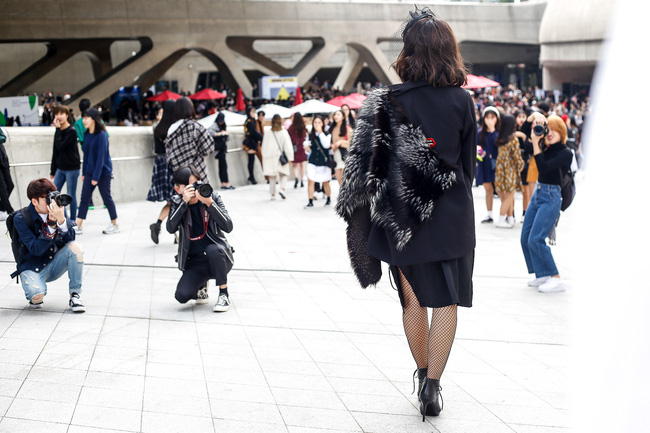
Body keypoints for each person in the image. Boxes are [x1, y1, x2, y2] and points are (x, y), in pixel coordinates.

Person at [335, 7, 476, 421]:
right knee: (446, 303)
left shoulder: (385, 101)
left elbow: (363, 169)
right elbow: (466, 167)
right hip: (452, 218)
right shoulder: (462, 100)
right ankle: (433, 388)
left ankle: (421, 376)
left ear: (407, 52)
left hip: (402, 221)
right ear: (449, 51)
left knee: (412, 302)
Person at [166, 166, 234, 312]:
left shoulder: (212, 197)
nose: (195, 190)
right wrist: (183, 203)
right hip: (195, 262)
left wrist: (210, 204)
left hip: (219, 257)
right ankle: (201, 285)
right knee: (182, 296)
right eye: (189, 187)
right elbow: (170, 228)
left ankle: (224, 294)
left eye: (197, 184)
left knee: (212, 249)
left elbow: (228, 226)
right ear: (178, 189)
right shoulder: (178, 202)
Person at [12, 178, 85, 312]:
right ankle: (35, 290)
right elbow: (35, 249)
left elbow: (70, 239)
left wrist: (62, 221)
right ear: (34, 201)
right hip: (32, 265)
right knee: (36, 297)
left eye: (54, 197)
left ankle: (75, 295)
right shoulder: (21, 218)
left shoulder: (57, 210)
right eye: (47, 199)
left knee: (76, 248)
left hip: (53, 262)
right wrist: (51, 226)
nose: (52, 203)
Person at [521, 115, 572, 293]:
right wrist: (531, 118)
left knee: (536, 239)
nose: (550, 133)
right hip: (538, 193)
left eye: (554, 129)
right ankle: (541, 273)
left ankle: (555, 278)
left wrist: (536, 144)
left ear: (562, 131)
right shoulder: (544, 145)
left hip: (551, 196)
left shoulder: (566, 152)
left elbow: (544, 167)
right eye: (548, 129)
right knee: (525, 237)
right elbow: (524, 133)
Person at [75, 108, 119, 234]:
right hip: (90, 172)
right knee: (84, 198)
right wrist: (84, 173)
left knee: (107, 198)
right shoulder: (87, 135)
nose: (84, 120)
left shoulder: (102, 136)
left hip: (103, 173)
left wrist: (95, 177)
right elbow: (86, 156)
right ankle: (78, 225)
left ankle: (115, 223)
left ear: (94, 119)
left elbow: (101, 158)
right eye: (83, 118)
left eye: (86, 118)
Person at [165, 97, 215, 182]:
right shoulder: (195, 126)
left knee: (185, 195)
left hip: (180, 175)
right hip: (198, 171)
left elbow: (169, 156)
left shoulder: (171, 129)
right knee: (201, 194)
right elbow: (209, 149)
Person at [147, 99, 176, 244]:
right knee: (177, 200)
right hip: (171, 165)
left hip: (160, 165)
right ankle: (176, 233)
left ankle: (158, 225)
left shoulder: (158, 128)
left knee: (172, 201)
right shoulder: (174, 129)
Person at [49, 104, 81, 223]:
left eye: (61, 114)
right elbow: (55, 151)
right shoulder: (58, 131)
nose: (59, 116)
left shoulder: (71, 131)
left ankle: (73, 222)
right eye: (56, 114)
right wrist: (53, 171)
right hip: (60, 168)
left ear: (67, 115)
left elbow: (61, 146)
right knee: (55, 194)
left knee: (70, 195)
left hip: (72, 168)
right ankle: (65, 219)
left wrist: (57, 130)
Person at [494, 115, 525, 228]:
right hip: (510, 171)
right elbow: (517, 157)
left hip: (500, 170)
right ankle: (501, 219)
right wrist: (521, 165)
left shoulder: (500, 139)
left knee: (505, 195)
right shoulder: (513, 140)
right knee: (509, 195)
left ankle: (510, 218)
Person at [475, 106, 500, 223]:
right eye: (487, 117)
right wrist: (480, 153)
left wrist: (493, 129)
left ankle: (507, 213)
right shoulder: (480, 132)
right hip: (484, 163)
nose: (490, 120)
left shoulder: (498, 133)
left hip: (497, 164)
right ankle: (489, 213)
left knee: (500, 189)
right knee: (488, 189)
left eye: (492, 117)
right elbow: (476, 146)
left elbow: (498, 144)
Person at [261, 114, 294, 200]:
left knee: (272, 177)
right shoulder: (283, 132)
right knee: (284, 174)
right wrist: (290, 157)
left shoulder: (268, 132)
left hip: (270, 157)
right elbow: (288, 146)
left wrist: (265, 156)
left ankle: (272, 195)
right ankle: (282, 189)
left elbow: (264, 146)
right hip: (280, 158)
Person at [303, 115, 332, 208]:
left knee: (325, 181)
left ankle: (328, 198)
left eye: (319, 122)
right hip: (313, 161)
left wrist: (320, 133)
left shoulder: (327, 134)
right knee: (310, 180)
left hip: (323, 161)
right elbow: (309, 149)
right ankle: (310, 200)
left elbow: (326, 145)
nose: (317, 124)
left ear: (323, 123)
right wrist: (307, 149)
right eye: (315, 122)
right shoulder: (310, 135)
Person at [207, 112, 234, 190]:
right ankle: (225, 184)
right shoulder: (214, 125)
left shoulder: (223, 125)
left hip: (222, 149)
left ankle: (224, 184)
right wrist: (218, 134)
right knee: (223, 167)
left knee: (222, 166)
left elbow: (229, 137)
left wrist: (225, 134)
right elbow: (208, 132)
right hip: (218, 150)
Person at [516, 110, 535, 221]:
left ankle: (525, 212)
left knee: (525, 191)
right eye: (519, 116)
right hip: (513, 164)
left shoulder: (529, 132)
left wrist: (525, 138)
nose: (521, 119)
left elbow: (531, 149)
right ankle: (511, 215)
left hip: (525, 164)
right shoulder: (512, 130)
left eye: (523, 116)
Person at [329, 110, 351, 186]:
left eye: (338, 114)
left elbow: (351, 143)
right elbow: (331, 142)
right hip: (336, 155)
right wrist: (332, 145)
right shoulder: (333, 129)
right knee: (338, 178)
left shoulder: (347, 129)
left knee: (344, 179)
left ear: (343, 117)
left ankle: (346, 196)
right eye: (335, 114)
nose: (336, 116)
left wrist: (341, 142)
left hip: (344, 155)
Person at [243, 106, 263, 184]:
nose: (254, 114)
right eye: (252, 112)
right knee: (251, 161)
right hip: (250, 143)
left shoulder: (249, 121)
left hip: (251, 142)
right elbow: (253, 132)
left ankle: (251, 177)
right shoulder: (250, 122)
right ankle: (251, 177)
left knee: (251, 161)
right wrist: (262, 138)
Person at [288, 112, 308, 189]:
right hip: (302, 147)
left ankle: (296, 177)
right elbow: (305, 136)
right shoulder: (303, 127)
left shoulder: (291, 128)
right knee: (302, 164)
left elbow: (289, 138)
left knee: (295, 165)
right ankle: (302, 180)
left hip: (294, 148)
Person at [0, 126, 15, 220]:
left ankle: (1, 208)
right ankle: (11, 212)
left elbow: (3, 137)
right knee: (3, 189)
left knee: (10, 185)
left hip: (3, 160)